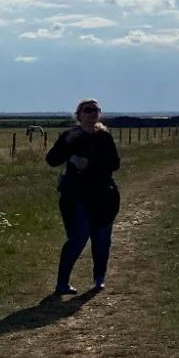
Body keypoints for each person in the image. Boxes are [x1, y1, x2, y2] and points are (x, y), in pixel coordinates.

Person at [46, 98, 121, 296]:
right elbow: (51, 160)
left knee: (102, 238)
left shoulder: (104, 137)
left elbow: (114, 164)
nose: (92, 113)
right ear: (79, 115)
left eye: (96, 110)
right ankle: (62, 283)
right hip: (76, 196)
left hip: (104, 195)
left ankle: (99, 278)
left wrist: (89, 164)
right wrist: (70, 157)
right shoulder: (69, 136)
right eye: (88, 110)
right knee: (78, 238)